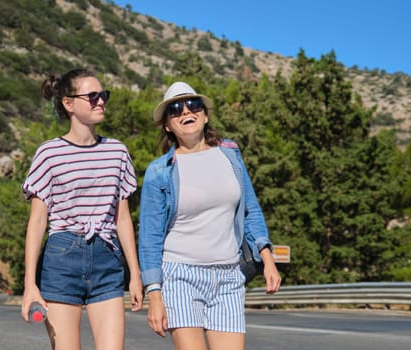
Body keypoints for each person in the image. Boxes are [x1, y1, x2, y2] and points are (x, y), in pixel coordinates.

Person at [138, 81, 282, 350]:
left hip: (228, 276)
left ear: (204, 115)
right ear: (168, 125)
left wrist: (267, 258)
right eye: (175, 109)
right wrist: (154, 295)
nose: (185, 112)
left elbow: (250, 210)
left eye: (193, 105)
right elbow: (150, 238)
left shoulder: (230, 155)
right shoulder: (159, 171)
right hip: (180, 275)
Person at [20, 68, 143, 350]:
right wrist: (30, 285)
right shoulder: (48, 153)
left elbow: (122, 218)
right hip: (62, 258)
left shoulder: (117, 152)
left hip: (106, 258)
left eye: (103, 95)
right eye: (92, 96)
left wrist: (135, 274)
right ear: (68, 103)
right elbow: (38, 222)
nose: (101, 101)